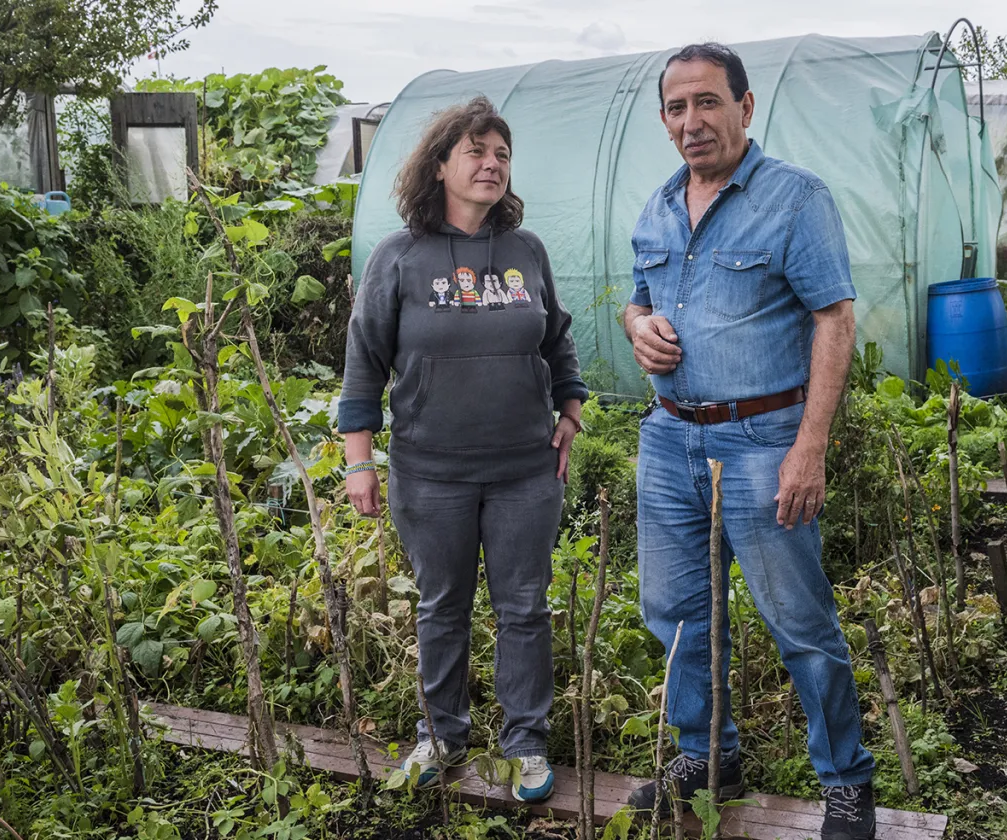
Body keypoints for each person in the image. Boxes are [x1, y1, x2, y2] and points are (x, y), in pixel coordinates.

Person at [622, 43, 877, 840]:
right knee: (676, 615)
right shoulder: (658, 206)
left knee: (798, 622)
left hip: (764, 439)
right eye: (676, 108)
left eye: (706, 102)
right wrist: (639, 327)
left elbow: (834, 319)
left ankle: (845, 781)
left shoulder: (796, 199)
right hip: (670, 443)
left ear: (744, 106)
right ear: (664, 120)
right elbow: (637, 299)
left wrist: (810, 447)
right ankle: (708, 757)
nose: (691, 122)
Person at [337, 96, 587, 804]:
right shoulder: (400, 257)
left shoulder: (525, 251)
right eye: (476, 151)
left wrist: (569, 408)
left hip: (523, 471)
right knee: (442, 606)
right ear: (440, 165)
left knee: (524, 606)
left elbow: (557, 337)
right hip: (432, 471)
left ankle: (525, 743)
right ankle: (442, 734)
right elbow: (364, 362)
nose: (491, 164)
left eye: (502, 154)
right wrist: (360, 459)